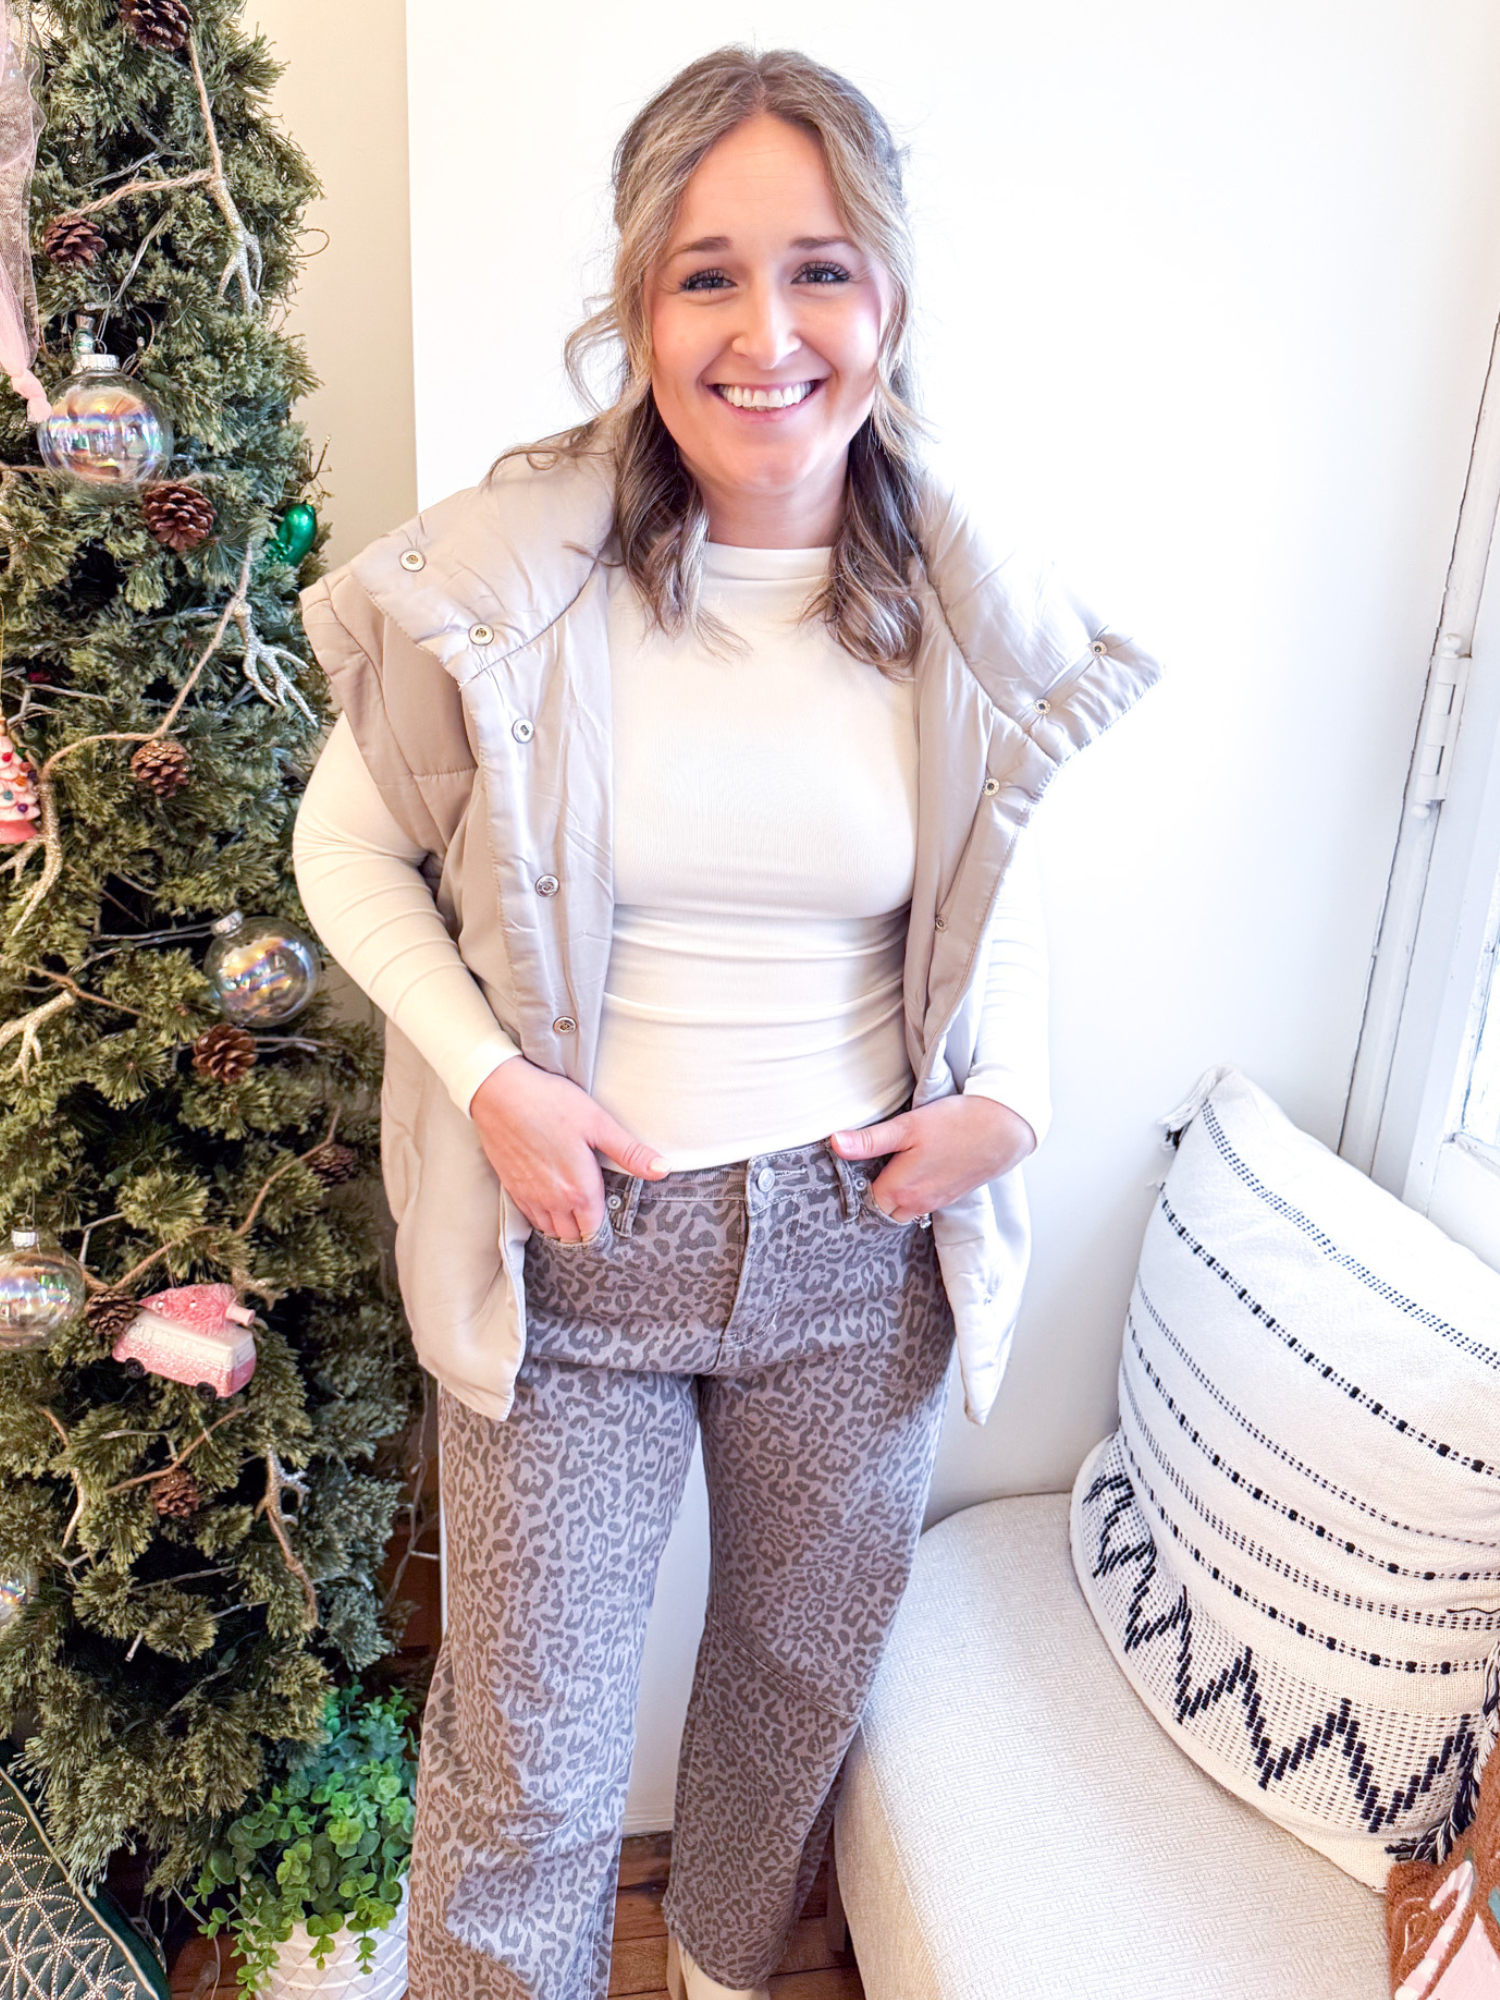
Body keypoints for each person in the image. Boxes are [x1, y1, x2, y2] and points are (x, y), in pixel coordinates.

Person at [293, 44, 1161, 2000]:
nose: (767, 334)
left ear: (890, 298)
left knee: (790, 1700)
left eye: (819, 269)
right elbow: (343, 850)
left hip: (858, 1251)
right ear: (637, 303)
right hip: (582, 1248)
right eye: (708, 275)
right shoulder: (517, 581)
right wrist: (492, 1081)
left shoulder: (958, 602)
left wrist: (1014, 1101)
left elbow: (996, 883)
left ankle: (712, 1977)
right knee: (529, 1762)